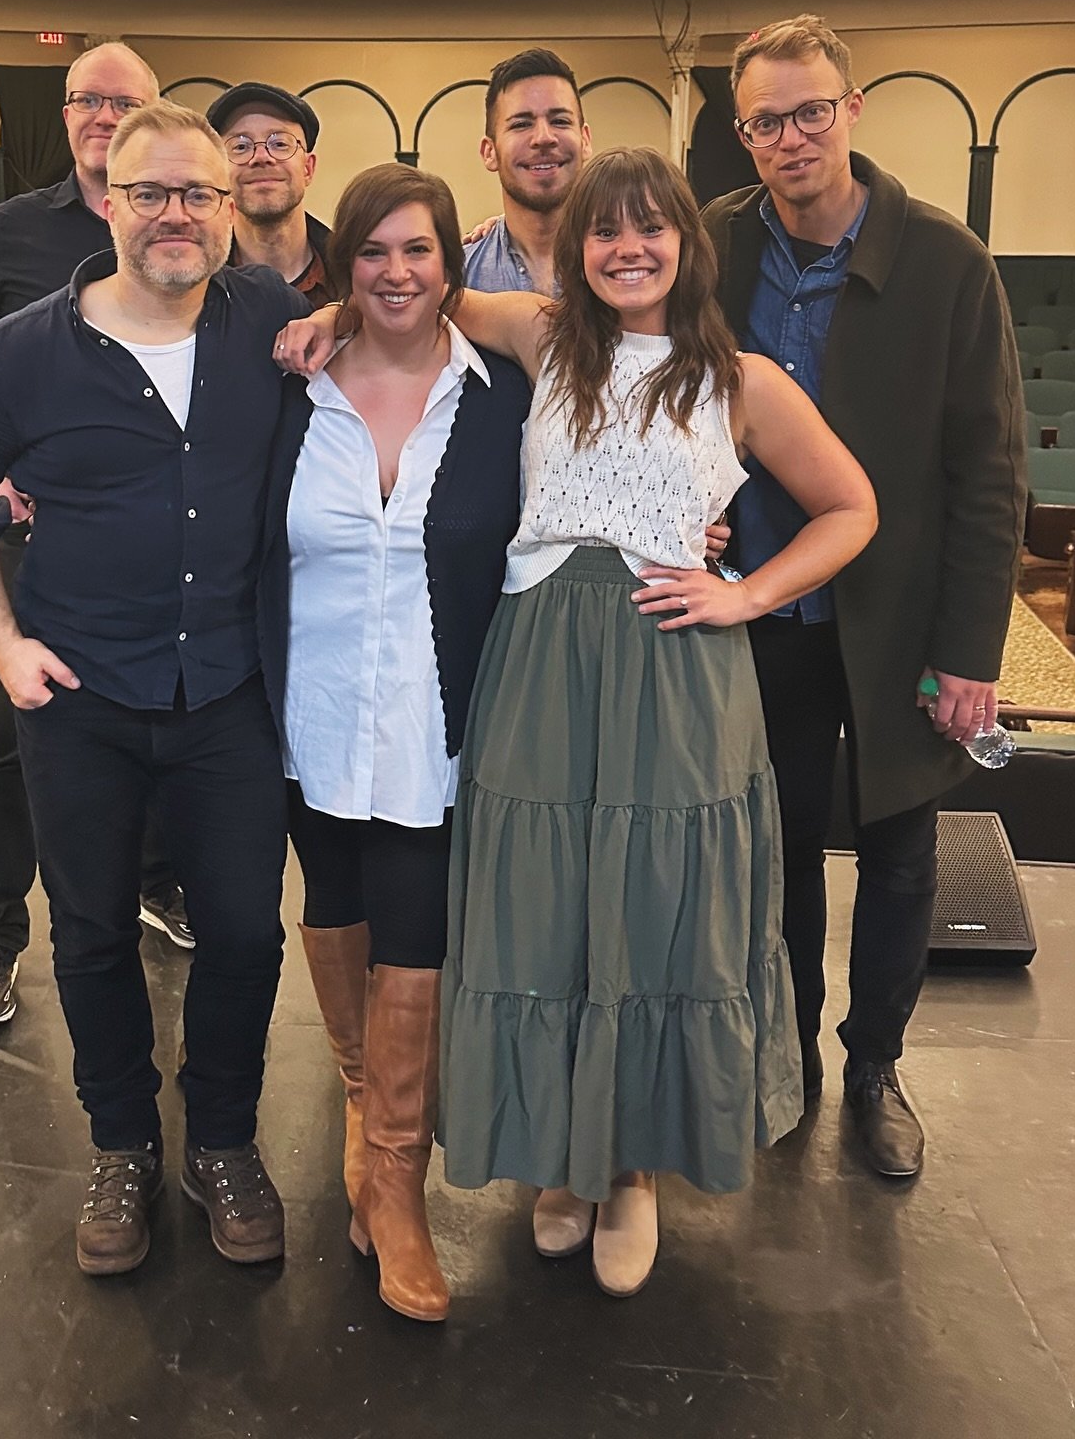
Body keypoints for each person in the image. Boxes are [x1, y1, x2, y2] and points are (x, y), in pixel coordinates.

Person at [279, 146, 877, 1301]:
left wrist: (747, 591)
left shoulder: (744, 381)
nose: (629, 247)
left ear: (687, 246)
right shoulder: (542, 337)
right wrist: (318, 319)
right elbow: (413, 289)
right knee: (545, 916)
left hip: (676, 670)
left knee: (654, 914)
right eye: (606, 230)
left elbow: (853, 505)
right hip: (542, 660)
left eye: (653, 227)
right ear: (578, 248)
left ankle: (633, 1168)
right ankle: (563, 1157)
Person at [0, 101, 308, 1278]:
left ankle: (224, 1141)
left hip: (231, 690)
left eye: (198, 192)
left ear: (231, 211)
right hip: (77, 694)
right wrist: (5, 644)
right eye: (150, 193)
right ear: (109, 201)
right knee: (87, 935)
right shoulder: (22, 351)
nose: (174, 213)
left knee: (242, 929)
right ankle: (124, 1144)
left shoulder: (276, 325)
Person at [705, 13, 1027, 1180]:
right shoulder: (715, 246)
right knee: (775, 855)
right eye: (765, 119)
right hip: (763, 612)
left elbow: (991, 474)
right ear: (741, 135)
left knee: (899, 855)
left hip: (896, 621)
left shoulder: (948, 262)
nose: (791, 136)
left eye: (811, 110)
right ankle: (782, 1062)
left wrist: (970, 655)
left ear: (852, 110)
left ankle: (875, 1067)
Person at [263, 163, 530, 1324]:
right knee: (333, 901)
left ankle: (397, 1180)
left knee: (417, 924)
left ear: (450, 263)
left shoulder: (501, 398)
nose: (396, 272)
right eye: (372, 252)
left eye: (417, 250)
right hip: (310, 713)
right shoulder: (292, 392)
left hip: (437, 717)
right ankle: (363, 1118)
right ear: (346, 264)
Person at [0, 42, 193, 1033]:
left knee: (165, 708)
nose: (103, 114)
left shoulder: (182, 224)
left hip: (162, 538)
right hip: (44, 537)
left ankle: (160, 882)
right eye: (86, 99)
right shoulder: (10, 231)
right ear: (65, 116)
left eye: (125, 100)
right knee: (15, 738)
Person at [461, 48, 592, 295]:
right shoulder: (456, 277)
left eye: (560, 121)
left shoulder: (625, 268)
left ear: (585, 140)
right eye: (521, 124)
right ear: (489, 152)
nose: (543, 138)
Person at [207, 82, 334, 307]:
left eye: (279, 143)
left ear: (308, 168)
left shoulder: (355, 277)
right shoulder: (194, 286)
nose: (261, 156)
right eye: (240, 146)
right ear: (218, 172)